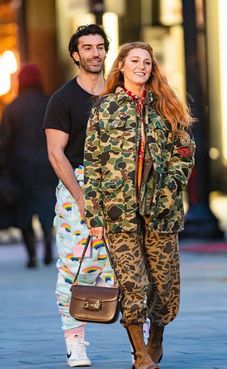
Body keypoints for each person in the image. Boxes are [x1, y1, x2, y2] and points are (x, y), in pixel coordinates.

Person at [84, 42, 196, 369]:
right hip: (119, 215)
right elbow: (92, 166)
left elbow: (185, 153)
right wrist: (94, 214)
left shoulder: (167, 106)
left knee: (164, 288)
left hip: (161, 213)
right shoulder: (105, 109)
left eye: (147, 61)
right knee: (134, 285)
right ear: (120, 66)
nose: (142, 66)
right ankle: (139, 354)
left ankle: (156, 338)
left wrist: (171, 186)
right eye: (135, 60)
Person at [43, 24, 113, 368]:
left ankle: (139, 344)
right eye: (87, 47)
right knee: (77, 267)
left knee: (128, 268)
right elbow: (56, 154)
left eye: (100, 46)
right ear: (76, 55)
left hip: (119, 189)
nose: (95, 53)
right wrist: (81, 197)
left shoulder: (118, 93)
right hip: (78, 187)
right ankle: (76, 344)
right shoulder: (63, 99)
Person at [0, 63, 57, 267]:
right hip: (48, 164)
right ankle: (49, 245)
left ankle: (32, 254)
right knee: (46, 207)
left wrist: (4, 167)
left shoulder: (12, 108)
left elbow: (4, 142)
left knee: (25, 211)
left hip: (21, 167)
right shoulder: (50, 102)